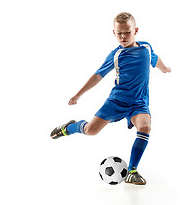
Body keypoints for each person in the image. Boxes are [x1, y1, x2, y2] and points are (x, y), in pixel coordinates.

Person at [50, 12, 171, 185]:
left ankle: (132, 171)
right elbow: (97, 76)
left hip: (139, 102)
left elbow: (155, 59)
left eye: (127, 32)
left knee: (145, 127)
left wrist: (164, 68)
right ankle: (69, 128)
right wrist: (78, 94)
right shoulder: (115, 55)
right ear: (114, 33)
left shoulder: (146, 48)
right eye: (119, 33)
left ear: (135, 30)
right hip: (116, 102)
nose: (123, 36)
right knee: (91, 130)